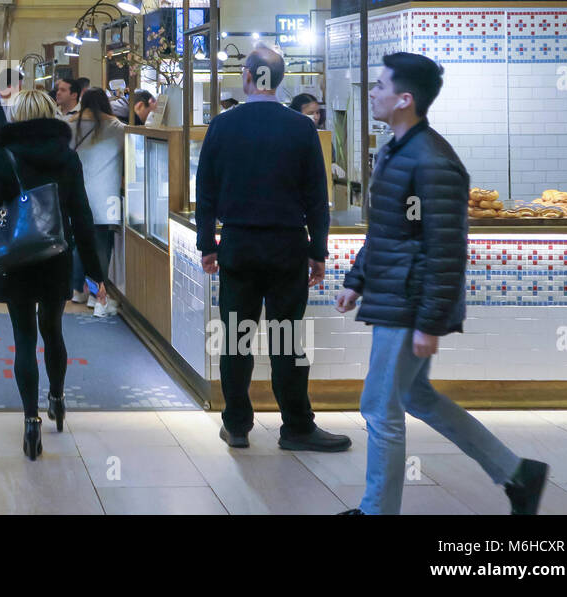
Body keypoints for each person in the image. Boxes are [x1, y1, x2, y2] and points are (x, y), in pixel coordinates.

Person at [335, 53, 548, 515]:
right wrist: (357, 279)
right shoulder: (395, 149)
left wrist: (429, 321)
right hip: (396, 294)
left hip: (410, 302)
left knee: (379, 407)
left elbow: (445, 249)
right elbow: (387, 230)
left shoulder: (433, 162)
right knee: (414, 396)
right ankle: (517, 473)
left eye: (380, 86)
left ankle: (377, 512)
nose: (372, 92)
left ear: (404, 99)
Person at [195, 46, 347, 453]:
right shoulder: (301, 128)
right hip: (287, 247)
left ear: (247, 76)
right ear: (278, 80)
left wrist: (207, 243)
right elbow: (317, 197)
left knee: (237, 339)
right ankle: (296, 425)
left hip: (239, 246)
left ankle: (238, 425)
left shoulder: (222, 126)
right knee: (287, 339)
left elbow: (205, 193)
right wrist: (319, 251)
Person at [0, 89, 106, 461]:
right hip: (56, 255)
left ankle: (30, 421)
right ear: (51, 115)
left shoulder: (4, 156)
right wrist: (95, 273)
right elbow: (82, 214)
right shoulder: (66, 157)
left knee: (23, 337)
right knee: (53, 330)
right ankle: (58, 398)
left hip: (18, 258)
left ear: (15, 117)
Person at [68, 88, 123, 315]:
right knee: (100, 247)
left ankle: (78, 291)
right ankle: (94, 294)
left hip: (77, 194)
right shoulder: (117, 128)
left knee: (79, 246)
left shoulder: (70, 125)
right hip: (106, 197)